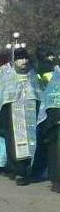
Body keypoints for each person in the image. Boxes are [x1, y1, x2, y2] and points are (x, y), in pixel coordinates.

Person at [0, 48, 42, 185]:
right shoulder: (8, 76)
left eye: (26, 58)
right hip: (12, 115)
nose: (24, 61)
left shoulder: (33, 76)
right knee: (13, 143)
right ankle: (18, 171)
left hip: (30, 115)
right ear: (15, 60)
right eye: (20, 58)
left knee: (31, 143)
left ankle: (24, 170)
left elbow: (38, 94)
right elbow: (1, 96)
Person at [35, 62, 60, 192]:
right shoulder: (54, 83)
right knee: (54, 154)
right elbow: (47, 104)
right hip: (55, 127)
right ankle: (56, 181)